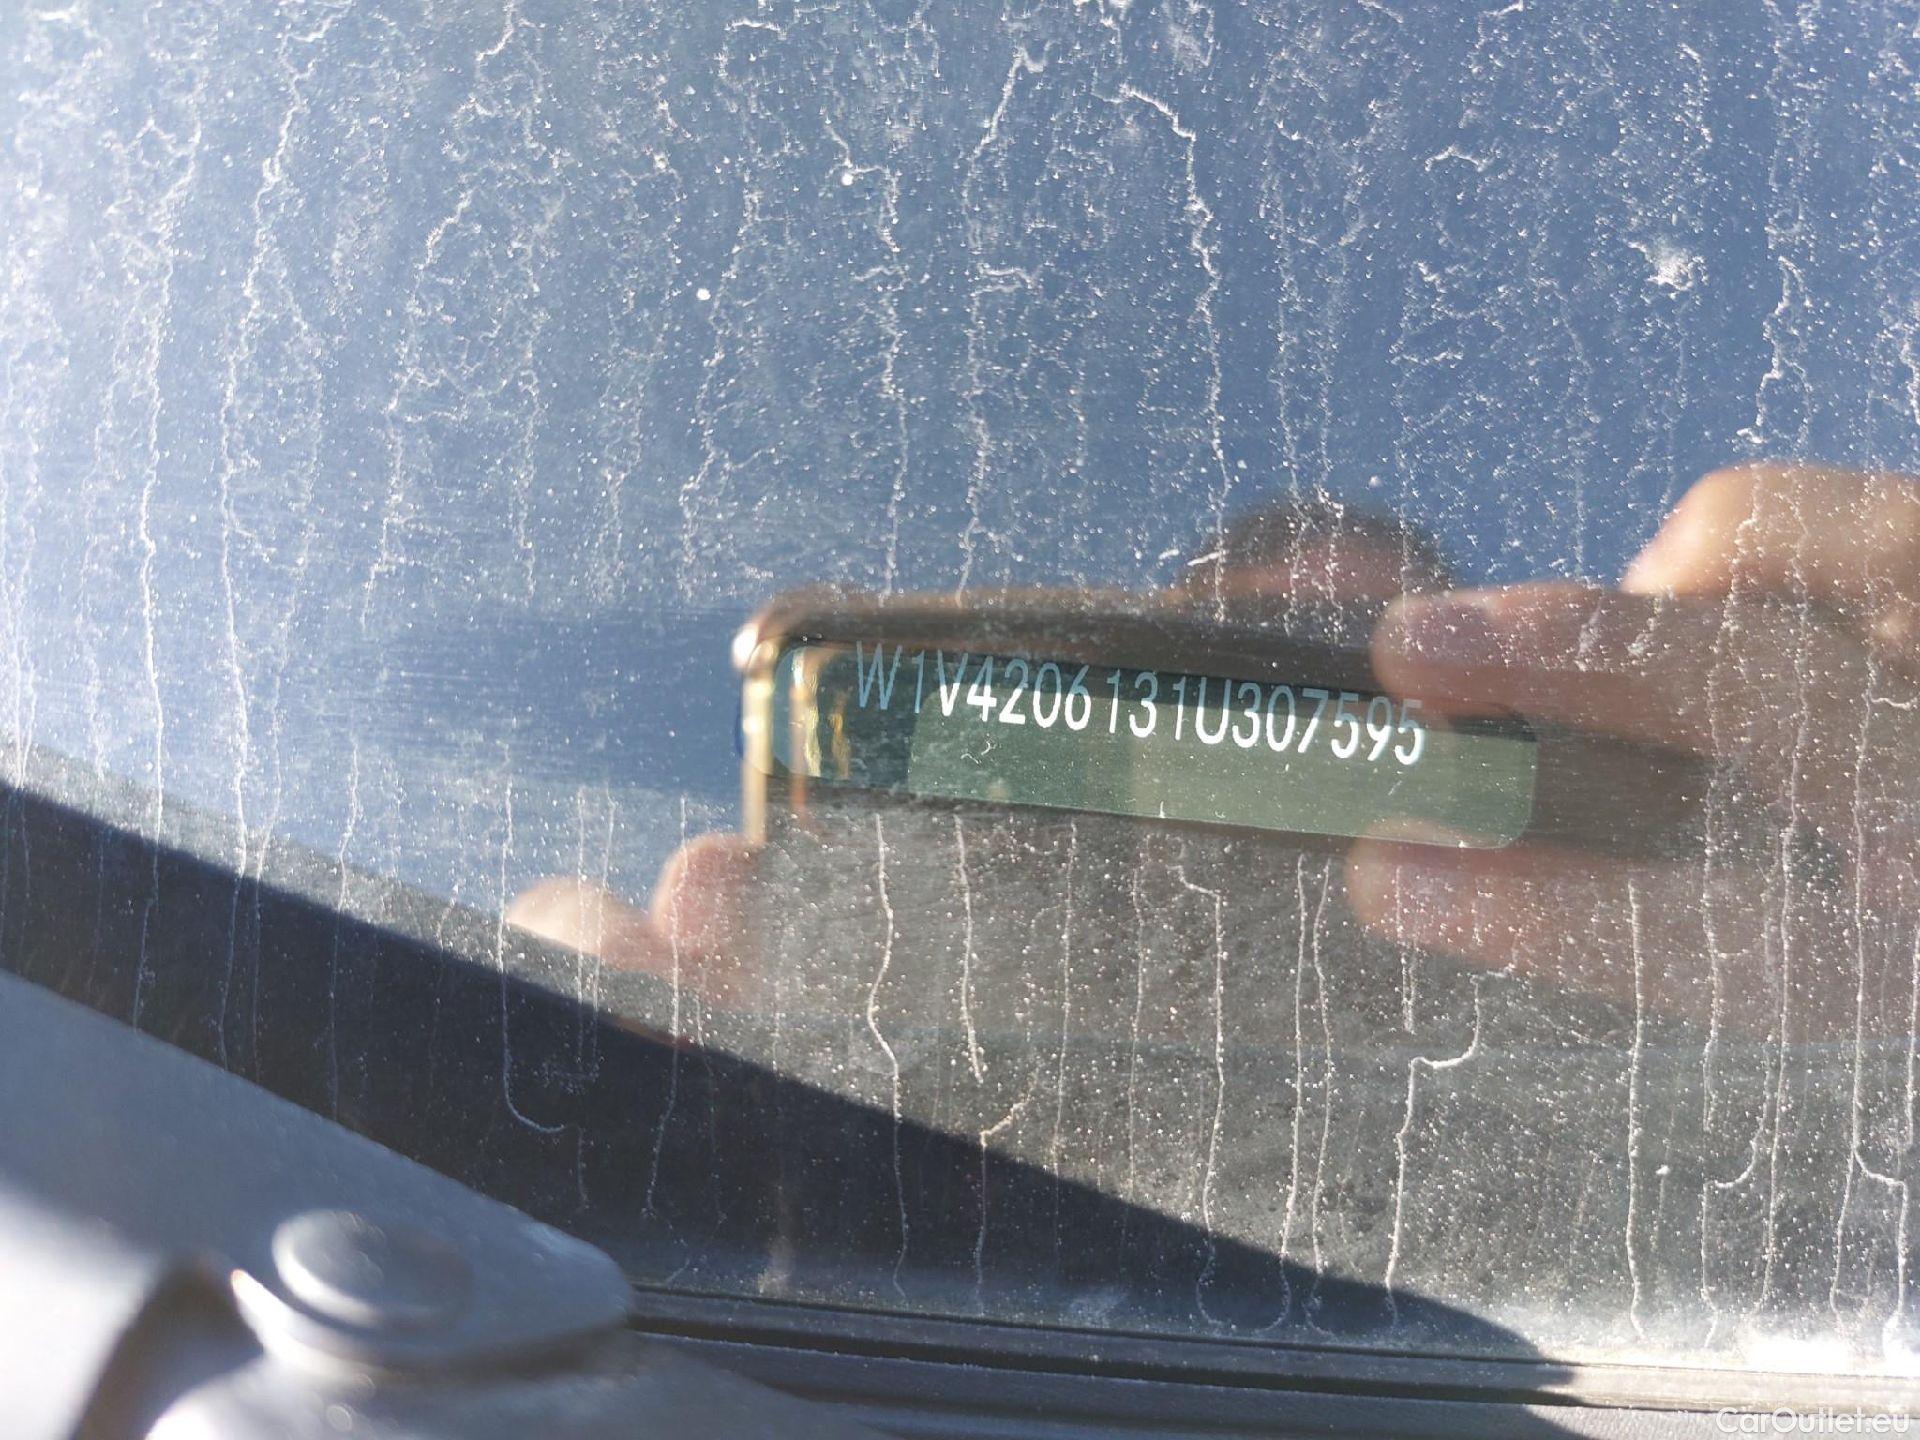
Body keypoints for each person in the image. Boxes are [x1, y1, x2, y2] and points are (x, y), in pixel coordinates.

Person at [509, 462, 1920, 1038]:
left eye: (1370, 689)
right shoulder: (881, 1027)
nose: (1284, 782)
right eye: (1220, 680)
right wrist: (622, 1113)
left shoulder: (1671, 1020)